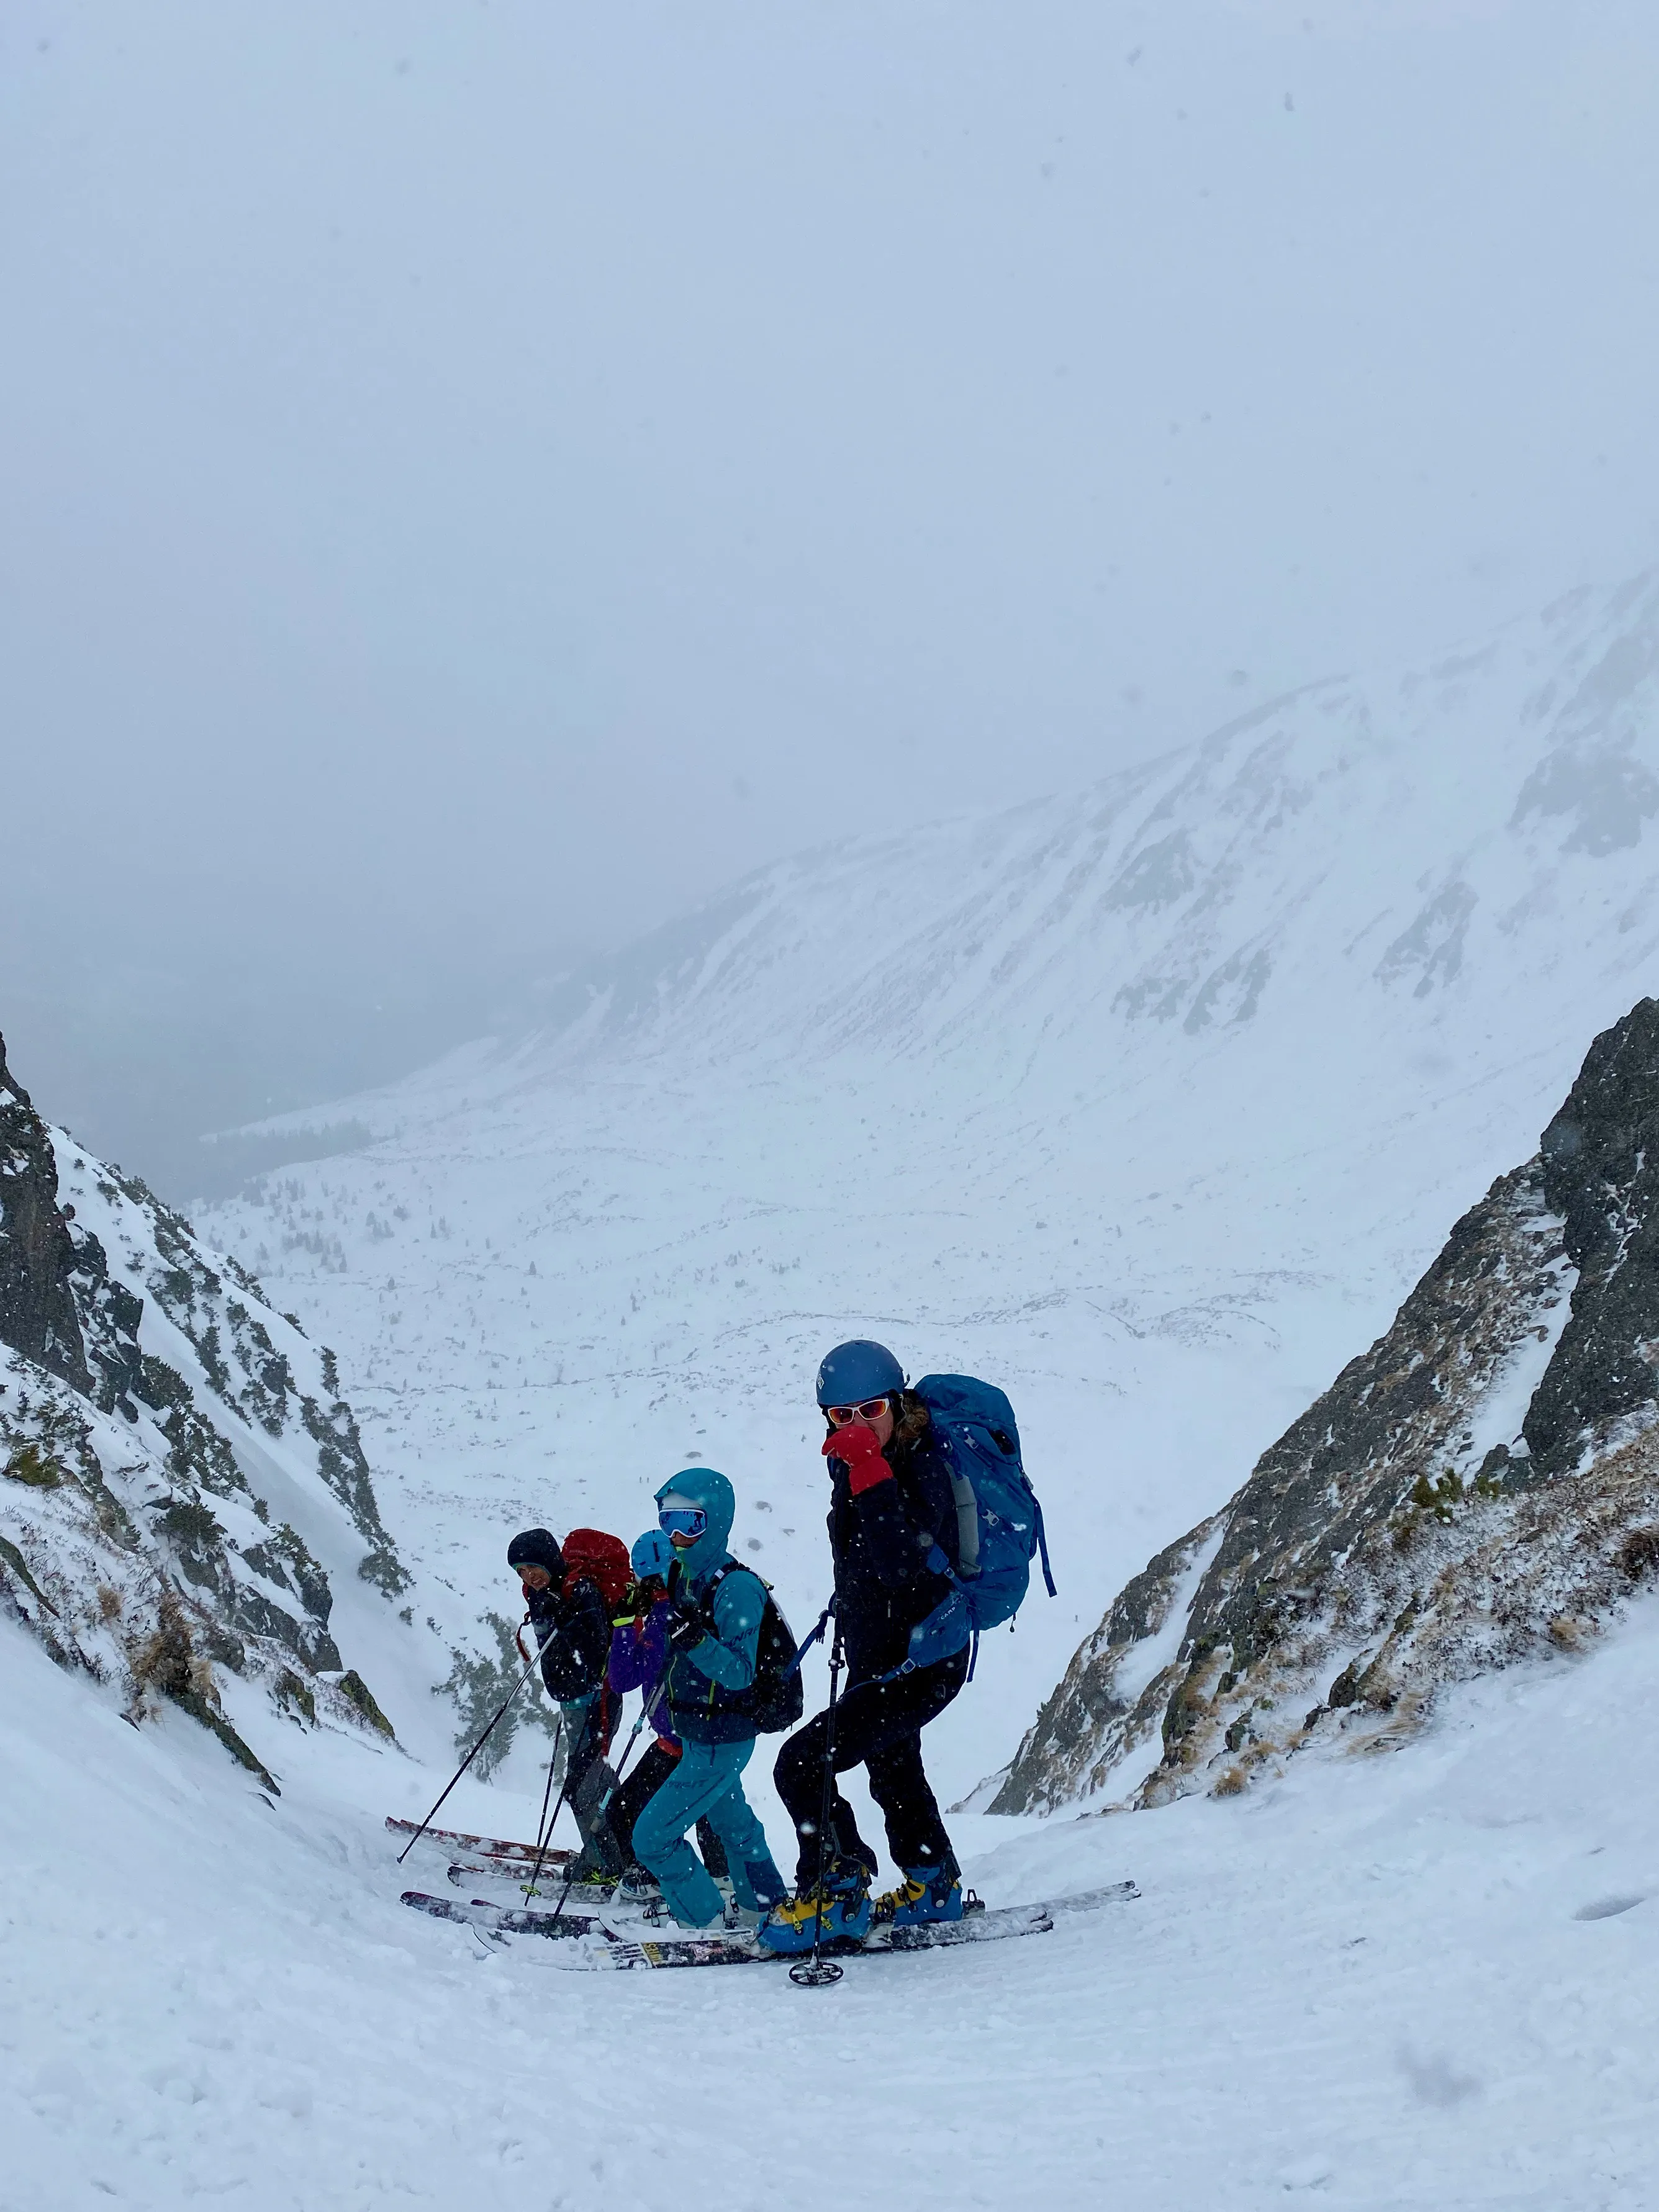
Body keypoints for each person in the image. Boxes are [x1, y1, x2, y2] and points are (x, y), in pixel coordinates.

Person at [758, 1340, 969, 1953]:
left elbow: (905, 1565)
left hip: (919, 1663)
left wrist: (870, 1475)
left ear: (897, 1403)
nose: (854, 1426)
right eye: (838, 1416)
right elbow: (864, 1562)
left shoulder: (923, 1465)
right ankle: (932, 1883)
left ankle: (835, 1891)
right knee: (893, 1767)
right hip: (881, 1654)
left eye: (869, 1409)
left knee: (799, 1763)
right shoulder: (856, 1465)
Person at [627, 1469, 788, 1929]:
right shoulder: (684, 1573)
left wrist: (692, 1637)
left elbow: (739, 1672)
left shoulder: (736, 1587)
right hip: (699, 1730)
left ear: (714, 1522)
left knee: (653, 1836)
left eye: (690, 1522)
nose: (677, 1535)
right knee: (733, 1824)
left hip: (724, 1733)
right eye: (667, 1521)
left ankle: (706, 1920)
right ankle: (765, 1902)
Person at [606, 1528, 730, 1890]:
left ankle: (703, 1882)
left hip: (697, 1741)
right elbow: (624, 1678)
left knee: (704, 1817)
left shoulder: (685, 1615)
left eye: (659, 1580)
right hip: (675, 1741)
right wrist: (625, 1627)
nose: (658, 1589)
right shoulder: (656, 1619)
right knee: (631, 1811)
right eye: (650, 1582)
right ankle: (702, 1881)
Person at [507, 1526, 626, 1885]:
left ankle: (606, 1866)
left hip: (597, 1704)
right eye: (521, 1572)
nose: (529, 1576)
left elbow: (598, 1649)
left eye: (532, 1567)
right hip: (574, 1704)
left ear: (548, 1559)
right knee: (600, 1785)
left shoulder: (580, 1591)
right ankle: (628, 1859)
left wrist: (566, 1616)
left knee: (582, 1789)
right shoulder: (542, 1594)